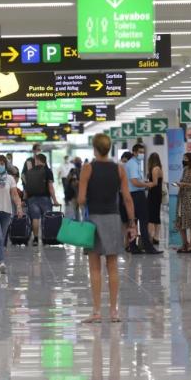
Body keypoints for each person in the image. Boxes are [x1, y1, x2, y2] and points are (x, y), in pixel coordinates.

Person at [78, 134, 136, 323]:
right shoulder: (119, 169)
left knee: (95, 267)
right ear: (109, 148)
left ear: (95, 149)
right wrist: (132, 223)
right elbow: (127, 198)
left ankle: (96, 311)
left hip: (94, 219)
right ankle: (113, 311)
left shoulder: (88, 168)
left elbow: (81, 199)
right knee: (113, 266)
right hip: (113, 219)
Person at [125, 144, 161, 255]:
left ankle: (133, 246)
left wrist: (144, 183)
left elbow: (136, 180)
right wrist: (147, 185)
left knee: (133, 220)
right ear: (134, 152)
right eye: (140, 152)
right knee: (143, 220)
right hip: (136, 195)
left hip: (134, 194)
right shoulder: (133, 164)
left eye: (143, 152)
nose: (142, 154)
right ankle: (147, 246)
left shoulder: (134, 163)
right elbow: (134, 182)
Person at [24, 153, 59, 245]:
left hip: (32, 199)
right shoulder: (47, 171)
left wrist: (24, 199)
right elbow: (50, 187)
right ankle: (46, 238)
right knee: (47, 218)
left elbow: (26, 188)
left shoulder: (29, 172)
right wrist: (55, 200)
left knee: (35, 218)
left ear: (37, 160)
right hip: (45, 198)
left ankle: (35, 239)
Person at [176, 152, 191, 253]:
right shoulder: (185, 170)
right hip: (182, 198)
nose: (184, 160)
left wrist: (184, 184)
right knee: (181, 221)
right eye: (183, 158)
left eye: (186, 158)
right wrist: (180, 185)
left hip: (190, 199)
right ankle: (184, 243)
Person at [147, 153, 164, 246]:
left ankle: (150, 237)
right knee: (156, 216)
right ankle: (156, 237)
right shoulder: (160, 168)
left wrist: (146, 184)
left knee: (150, 217)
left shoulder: (154, 169)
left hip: (153, 194)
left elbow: (154, 183)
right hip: (158, 194)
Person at [64, 157, 82, 221]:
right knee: (78, 212)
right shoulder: (73, 171)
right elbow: (68, 181)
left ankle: (78, 223)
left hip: (77, 194)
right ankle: (79, 223)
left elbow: (67, 182)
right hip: (78, 194)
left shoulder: (73, 171)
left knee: (76, 211)